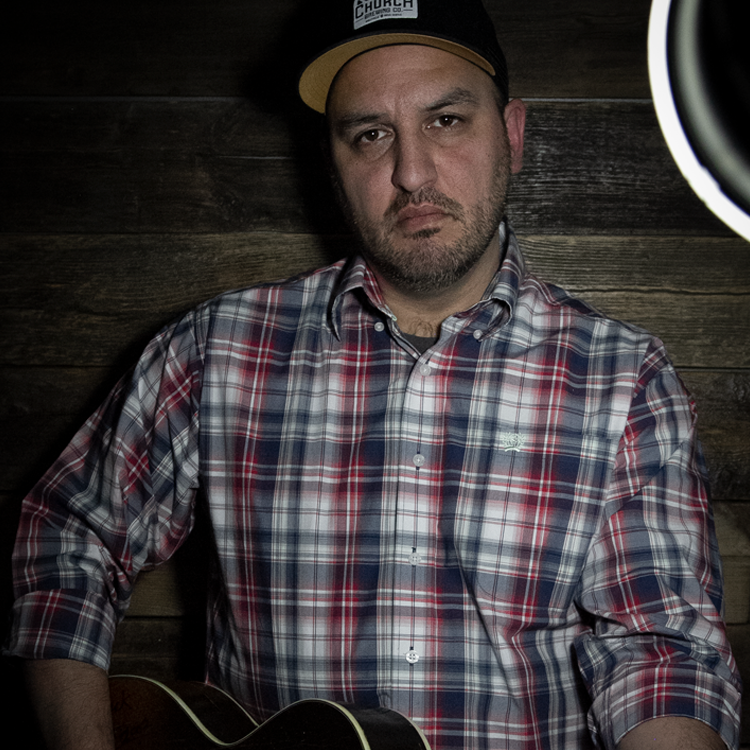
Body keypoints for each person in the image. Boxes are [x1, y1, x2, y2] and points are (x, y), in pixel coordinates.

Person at [5, 1, 742, 748]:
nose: (411, 172)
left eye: (446, 120)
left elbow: (663, 657)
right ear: (333, 162)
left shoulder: (623, 378)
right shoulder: (214, 350)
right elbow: (68, 533)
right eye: (371, 134)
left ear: (513, 134)